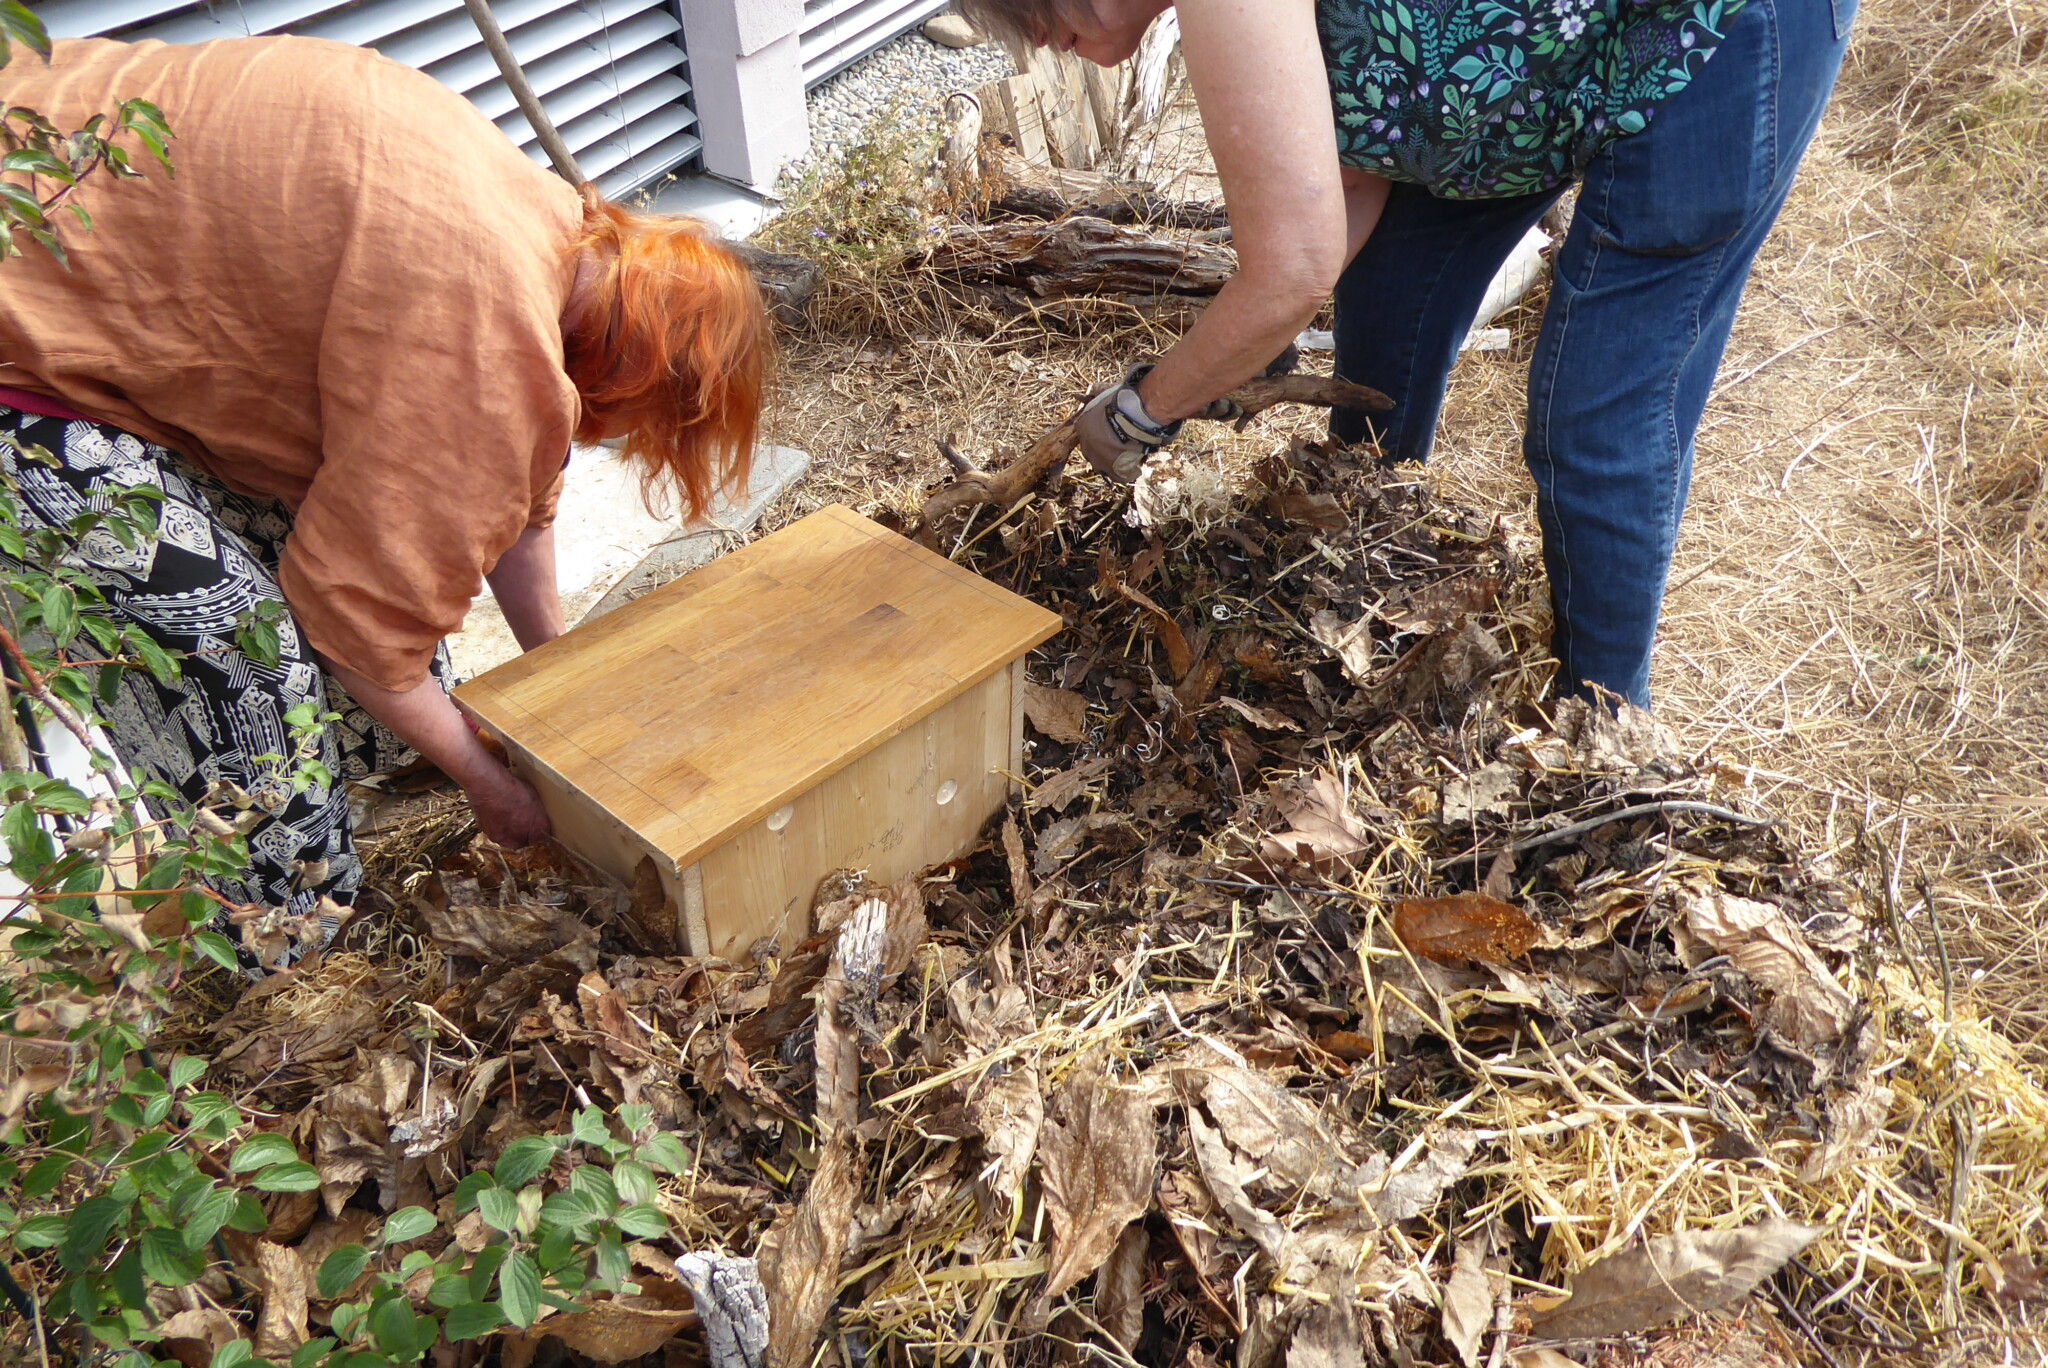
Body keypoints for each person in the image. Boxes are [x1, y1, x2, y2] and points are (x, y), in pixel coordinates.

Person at [0, 36, 767, 960]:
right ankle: (288, 947)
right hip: (21, 342)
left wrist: (558, 676)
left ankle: (337, 809)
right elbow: (363, 631)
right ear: (641, 372)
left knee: (365, 571)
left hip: (56, 192)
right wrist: (494, 788)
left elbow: (521, 500)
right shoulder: (485, 346)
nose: (614, 437)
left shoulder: (543, 226)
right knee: (244, 660)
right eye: (642, 423)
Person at [958, 0, 1854, 708]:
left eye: (1036, 12)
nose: (1038, 38)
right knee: (1389, 305)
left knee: (1596, 420)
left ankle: (1605, 739)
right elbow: (1347, 184)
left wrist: (1142, 411)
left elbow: (1291, 272)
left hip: (1707, 37)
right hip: (1532, 72)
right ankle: (1369, 584)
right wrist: (1240, 348)